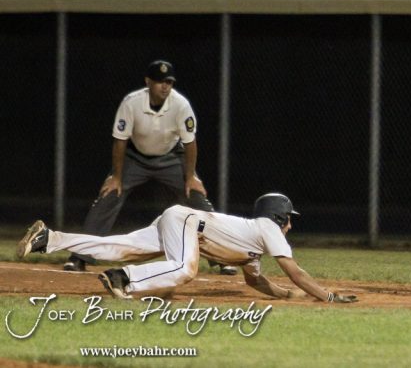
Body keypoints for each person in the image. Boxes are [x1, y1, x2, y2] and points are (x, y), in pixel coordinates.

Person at [63, 60, 236, 276]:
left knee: (197, 199)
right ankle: (79, 257)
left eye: (169, 82)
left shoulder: (180, 104)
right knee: (109, 195)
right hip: (135, 158)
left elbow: (190, 143)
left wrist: (191, 177)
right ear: (148, 82)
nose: (165, 86)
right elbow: (120, 140)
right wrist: (116, 176)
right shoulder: (132, 102)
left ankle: (224, 260)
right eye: (160, 81)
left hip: (171, 157)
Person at [18, 193, 357, 303]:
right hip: (187, 221)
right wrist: (327, 296)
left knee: (117, 247)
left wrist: (286, 295)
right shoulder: (268, 228)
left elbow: (255, 280)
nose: (290, 226)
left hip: (181, 221)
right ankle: (124, 279)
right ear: (279, 216)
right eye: (289, 219)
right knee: (185, 270)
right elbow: (294, 270)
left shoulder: (254, 242)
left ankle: (49, 239)